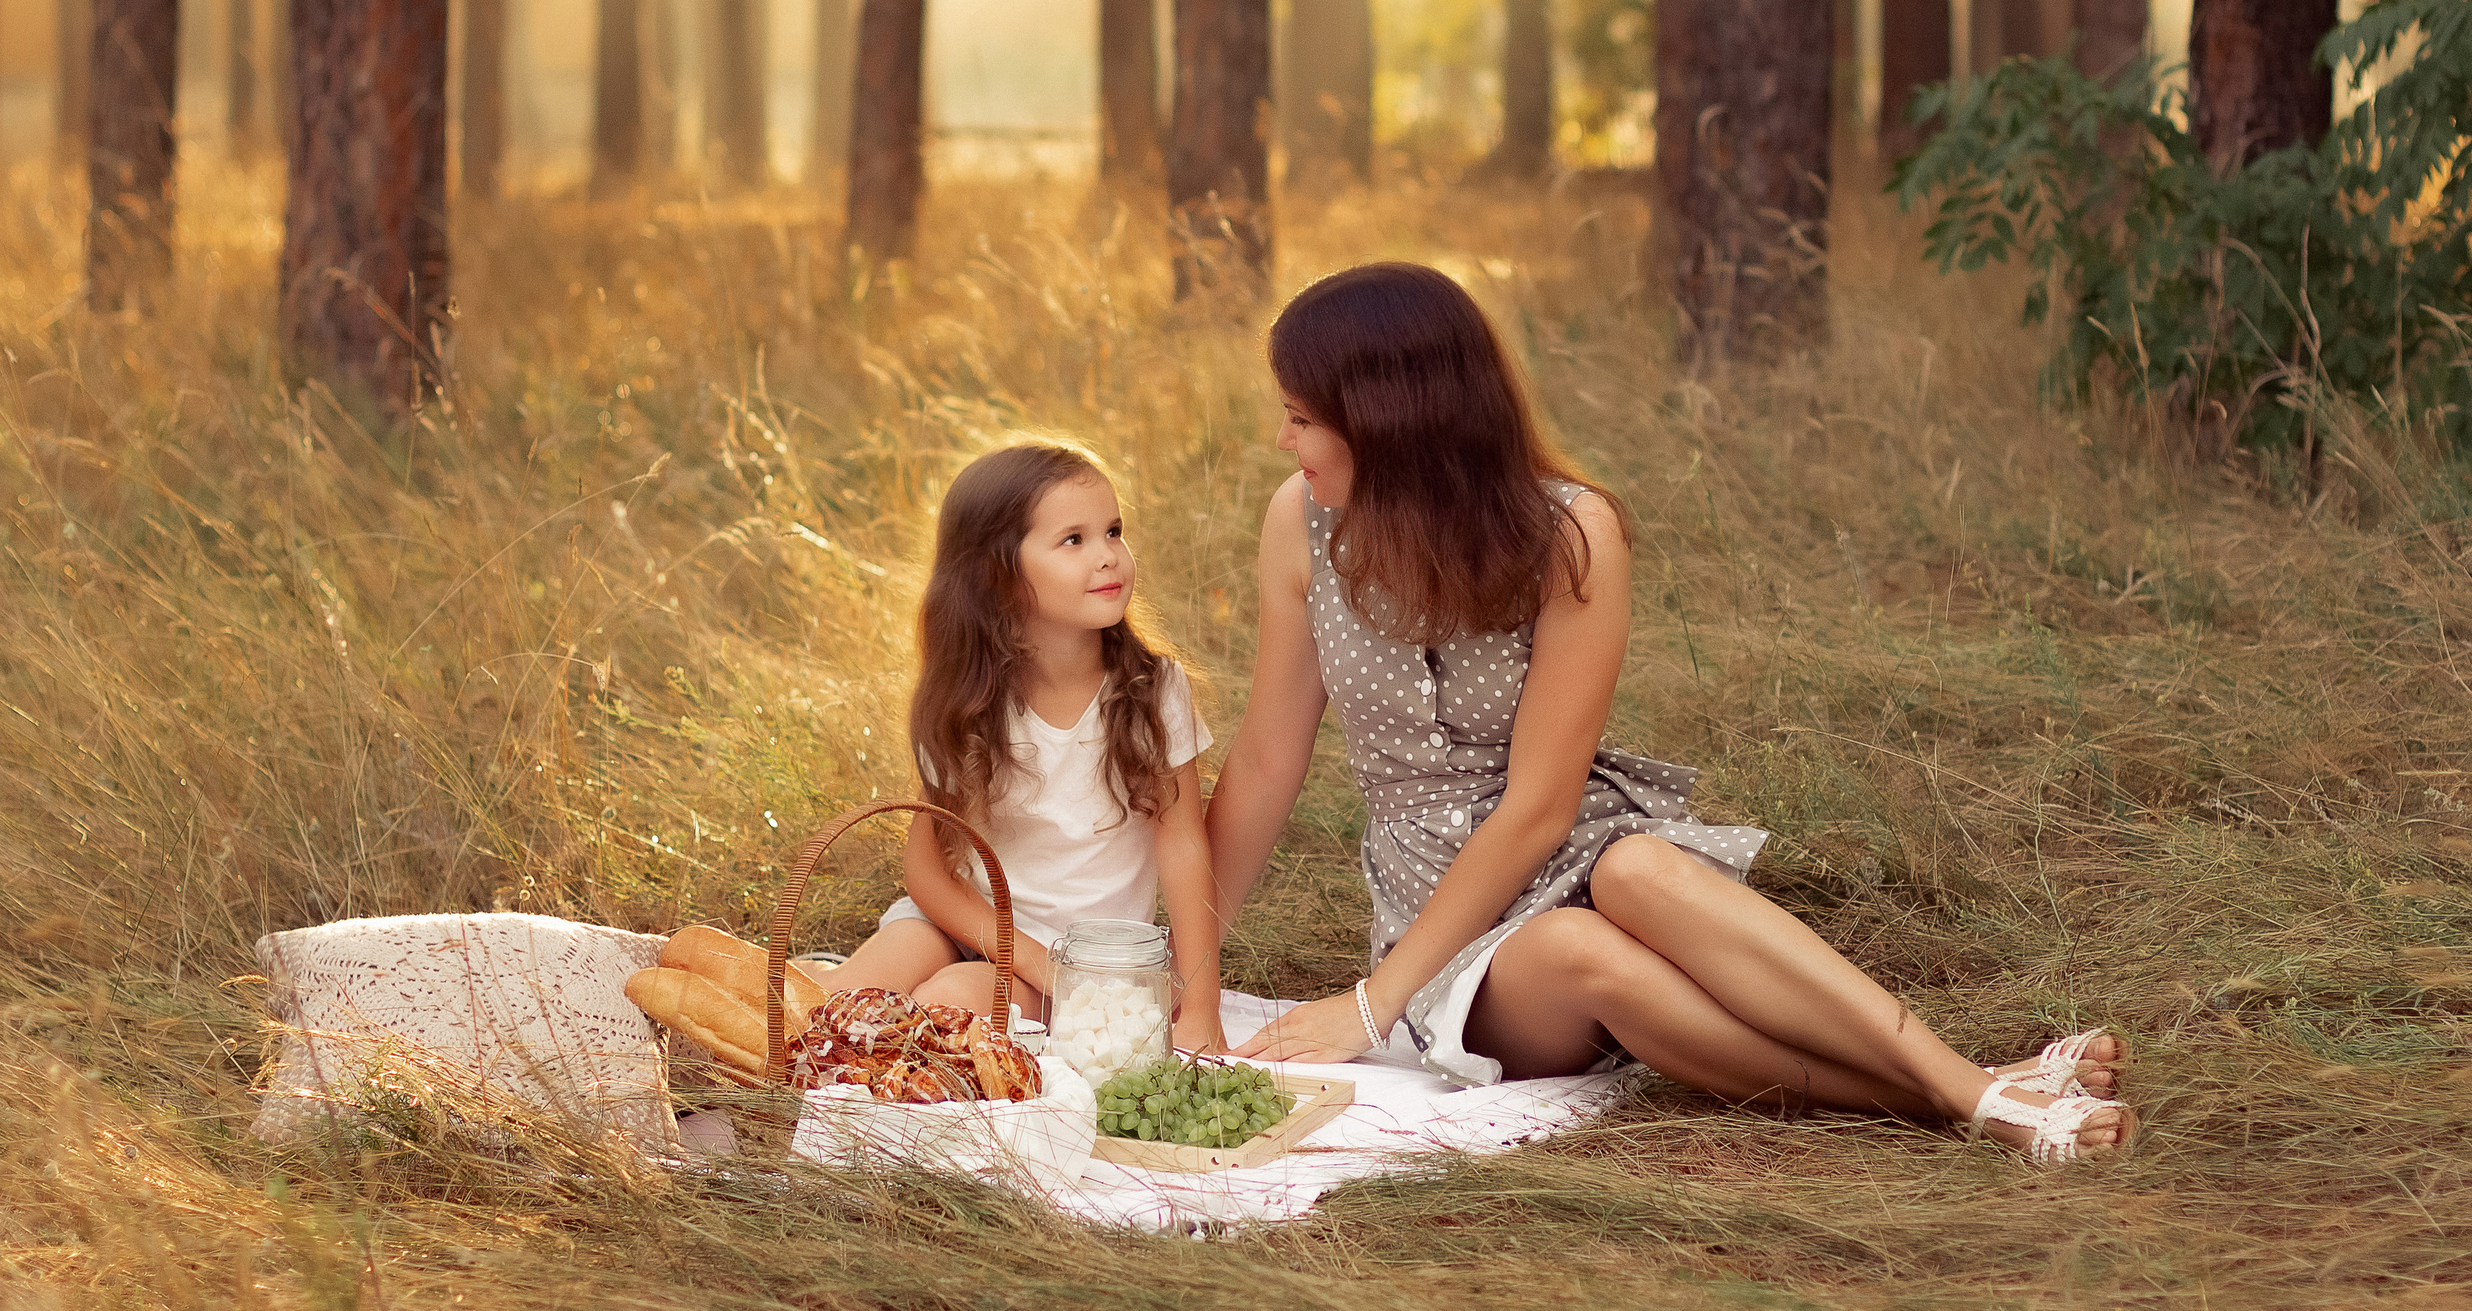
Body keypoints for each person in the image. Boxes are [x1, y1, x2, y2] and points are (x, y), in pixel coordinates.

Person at [1202, 263, 2133, 1162]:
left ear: (1390, 422)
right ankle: (1970, 1089)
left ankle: (1965, 1090)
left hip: (1565, 845)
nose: (1284, 441)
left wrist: (1363, 1010)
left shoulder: (1570, 534)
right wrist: (1186, 963)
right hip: (1437, 917)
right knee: (1576, 949)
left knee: (1639, 865)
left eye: (1300, 418)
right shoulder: (1305, 522)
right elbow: (1265, 764)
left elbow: (1541, 806)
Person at [812, 441, 1228, 1053]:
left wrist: (1201, 1003)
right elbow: (928, 869)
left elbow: (1186, 846)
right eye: (1074, 540)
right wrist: (1024, 954)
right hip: (963, 923)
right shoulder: (966, 699)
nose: (1109, 556)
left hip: (1075, 968)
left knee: (940, 1015)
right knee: (840, 1007)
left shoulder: (1152, 693)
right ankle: (776, 999)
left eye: (1113, 531)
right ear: (997, 577)